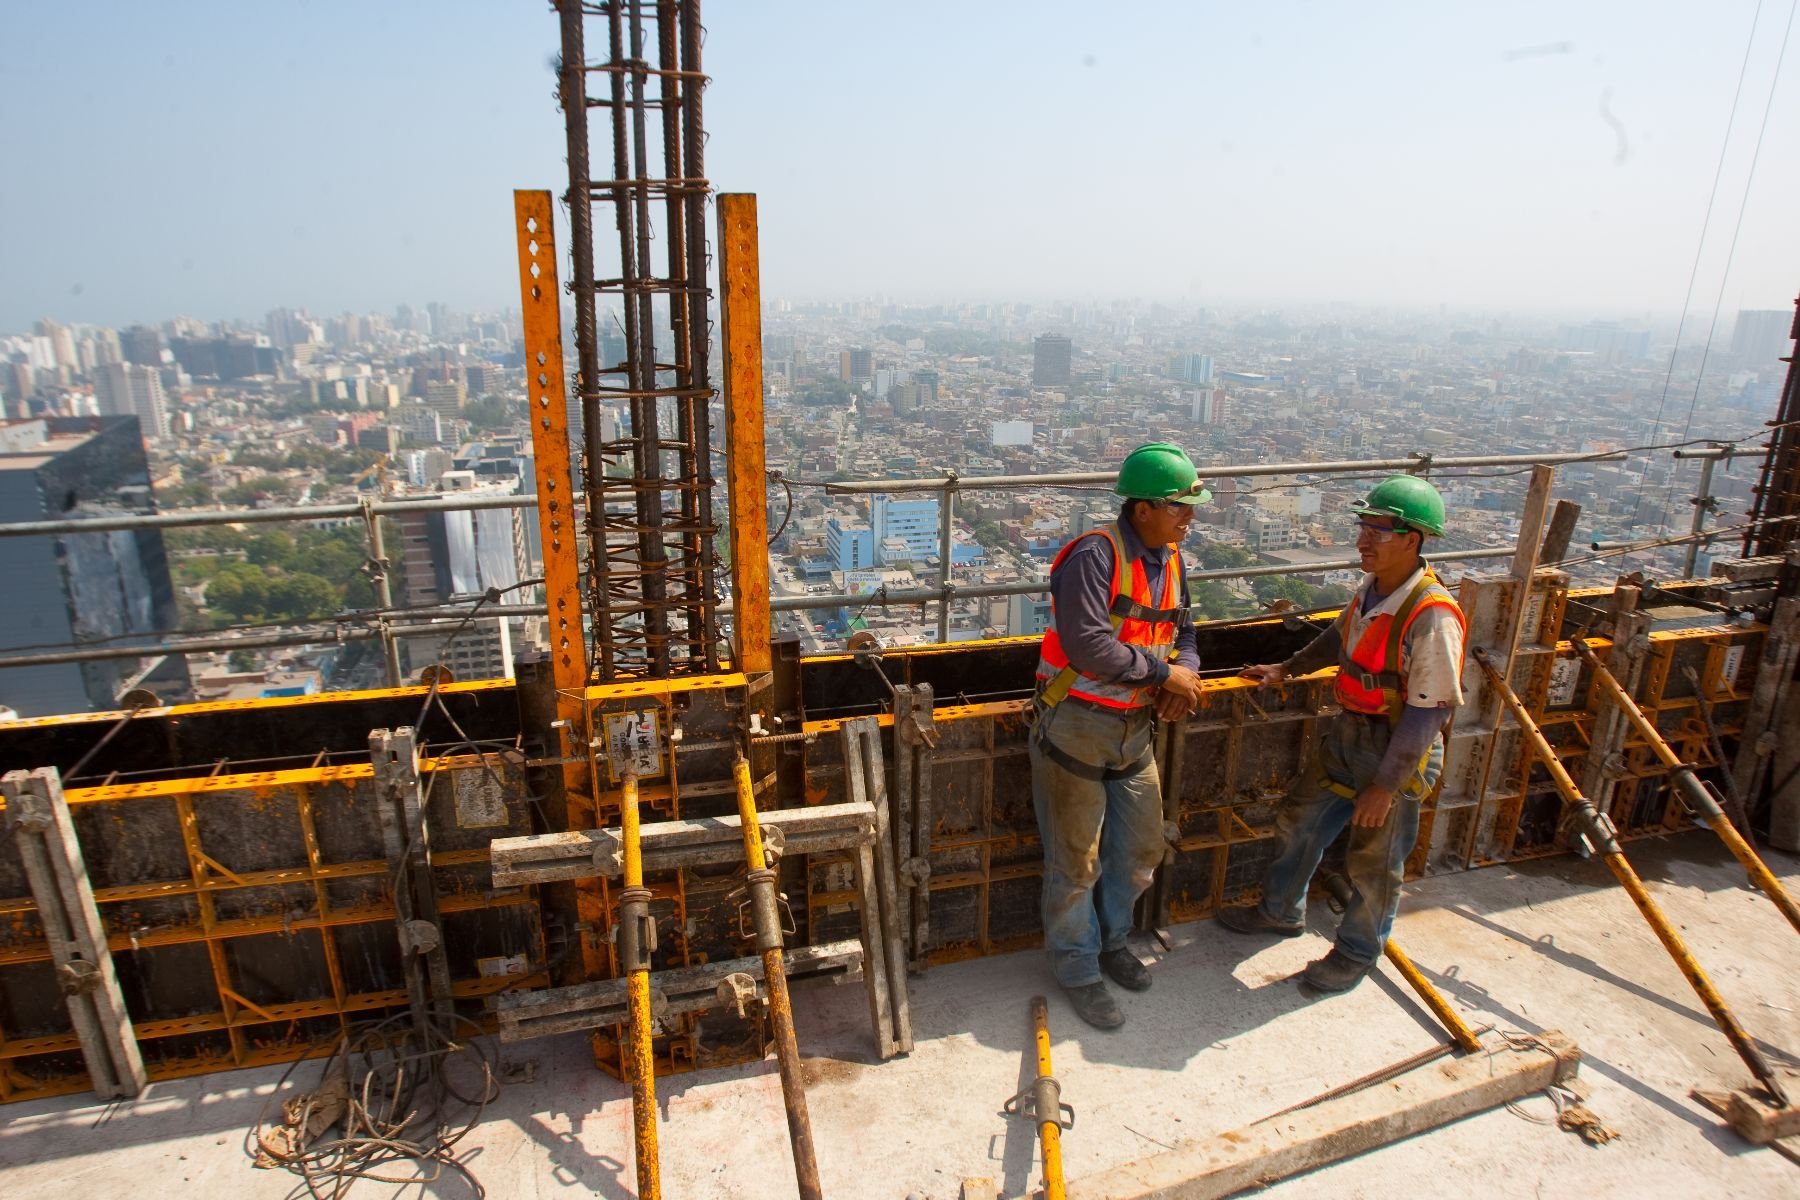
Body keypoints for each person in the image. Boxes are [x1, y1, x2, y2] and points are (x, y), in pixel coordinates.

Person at [1217, 475, 1466, 994]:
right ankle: (1281, 910)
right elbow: (1343, 635)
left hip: (1395, 747)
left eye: (1378, 530)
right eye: (1364, 527)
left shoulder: (1432, 615)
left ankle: (1357, 951)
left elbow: (1427, 713)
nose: (1363, 540)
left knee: (1375, 862)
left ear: (1412, 540)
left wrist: (1384, 787)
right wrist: (1288, 668)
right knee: (1299, 821)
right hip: (1350, 734)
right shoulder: (1376, 589)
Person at [1030, 442, 1209, 1029]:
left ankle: (1111, 942)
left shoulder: (1172, 559)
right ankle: (1078, 965)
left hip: (1134, 729)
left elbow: (1184, 635)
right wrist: (1164, 674)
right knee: (1075, 861)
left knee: (1138, 851)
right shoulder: (1095, 557)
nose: (1190, 517)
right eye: (1180, 507)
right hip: (1076, 726)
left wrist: (1183, 677)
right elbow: (1087, 645)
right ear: (1142, 509)